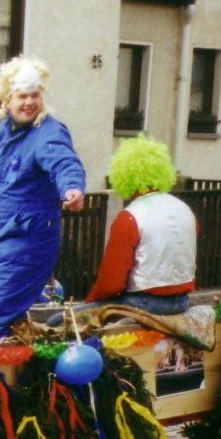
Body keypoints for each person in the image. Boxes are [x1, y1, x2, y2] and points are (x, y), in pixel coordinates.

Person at [0, 56, 86, 341]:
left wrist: (72, 187)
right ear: (8, 100)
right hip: (1, 236)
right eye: (23, 96)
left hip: (29, 239)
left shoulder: (48, 132)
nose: (30, 102)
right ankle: (22, 367)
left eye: (35, 95)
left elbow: (64, 162)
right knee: (15, 319)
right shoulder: (3, 131)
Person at [85, 134, 197, 314]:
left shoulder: (130, 216)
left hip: (143, 302)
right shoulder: (185, 210)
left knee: (57, 320)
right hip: (181, 302)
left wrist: (91, 300)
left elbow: (111, 283)